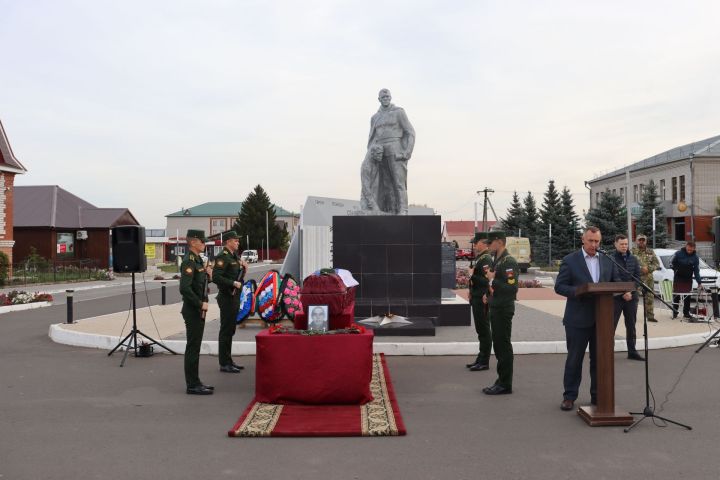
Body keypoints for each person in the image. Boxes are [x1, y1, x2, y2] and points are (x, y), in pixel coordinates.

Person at [555, 226, 621, 411]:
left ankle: (597, 396)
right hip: (577, 319)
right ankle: (569, 396)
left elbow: (615, 282)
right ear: (583, 240)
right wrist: (578, 291)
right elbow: (560, 286)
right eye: (591, 241)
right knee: (574, 359)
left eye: (597, 241)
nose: (594, 244)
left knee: (599, 360)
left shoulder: (608, 260)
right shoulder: (570, 260)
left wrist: (622, 292)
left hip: (602, 320)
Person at [360, 88, 415, 214]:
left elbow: (410, 132)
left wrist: (407, 152)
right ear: (379, 99)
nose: (386, 99)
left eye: (388, 97)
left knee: (399, 183)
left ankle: (403, 210)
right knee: (385, 185)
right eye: (383, 97)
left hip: (396, 151)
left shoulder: (398, 112)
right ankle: (390, 210)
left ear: (390, 98)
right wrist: (370, 155)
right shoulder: (375, 118)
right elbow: (372, 137)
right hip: (380, 153)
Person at [481, 231, 519, 395]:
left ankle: (505, 383)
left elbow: (512, 288)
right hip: (496, 307)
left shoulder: (508, 261)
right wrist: (488, 294)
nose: (488, 246)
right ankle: (501, 380)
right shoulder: (498, 260)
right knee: (498, 345)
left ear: (499, 242)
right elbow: (497, 286)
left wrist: (491, 280)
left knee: (503, 346)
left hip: (503, 310)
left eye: (491, 243)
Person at [179, 229, 214, 395]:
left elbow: (200, 284)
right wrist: (200, 304)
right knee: (193, 347)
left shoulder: (199, 260)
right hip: (193, 310)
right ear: (193, 242)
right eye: (202, 241)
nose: (204, 244)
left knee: (195, 346)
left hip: (199, 309)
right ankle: (192, 384)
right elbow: (185, 289)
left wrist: (209, 274)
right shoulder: (189, 261)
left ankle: (196, 381)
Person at [211, 231, 249, 373]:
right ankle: (224, 363)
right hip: (227, 297)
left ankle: (228, 360)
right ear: (228, 242)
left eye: (238, 241)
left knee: (231, 329)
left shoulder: (234, 256)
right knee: (226, 330)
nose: (238, 243)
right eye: (235, 240)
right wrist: (233, 283)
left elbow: (238, 277)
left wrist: (244, 270)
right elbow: (216, 277)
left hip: (234, 297)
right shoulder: (223, 257)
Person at [611, 234, 644, 361]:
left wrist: (630, 291)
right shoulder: (611, 258)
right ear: (616, 244)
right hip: (616, 297)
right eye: (621, 244)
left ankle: (632, 351)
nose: (624, 246)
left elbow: (637, 277)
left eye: (626, 244)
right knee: (611, 325)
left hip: (631, 297)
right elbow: (614, 276)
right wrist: (623, 291)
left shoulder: (634, 259)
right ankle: (609, 351)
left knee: (631, 325)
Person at [466, 232, 494, 371]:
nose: (474, 245)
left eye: (476, 243)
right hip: (476, 297)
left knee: (483, 330)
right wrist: (470, 290)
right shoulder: (480, 258)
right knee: (480, 330)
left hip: (482, 299)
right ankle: (481, 357)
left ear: (483, 243)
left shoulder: (486, 259)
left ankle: (484, 361)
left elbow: (486, 281)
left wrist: (472, 275)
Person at [671, 240, 703, 319]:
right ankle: (675, 312)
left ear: (694, 249)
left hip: (688, 279)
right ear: (686, 247)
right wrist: (676, 269)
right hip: (678, 278)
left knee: (687, 297)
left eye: (691, 250)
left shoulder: (695, 258)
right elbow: (671, 263)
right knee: (676, 296)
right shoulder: (678, 254)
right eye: (688, 249)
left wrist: (699, 282)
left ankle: (686, 313)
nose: (689, 251)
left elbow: (696, 271)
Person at [631, 234, 660, 322]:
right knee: (634, 297)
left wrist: (648, 269)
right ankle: (632, 316)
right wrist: (640, 269)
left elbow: (656, 264)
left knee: (650, 297)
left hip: (648, 279)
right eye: (640, 240)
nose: (641, 242)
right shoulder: (632, 252)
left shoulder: (651, 252)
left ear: (646, 241)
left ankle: (650, 316)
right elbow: (629, 264)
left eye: (643, 240)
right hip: (636, 278)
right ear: (636, 241)